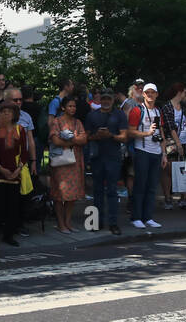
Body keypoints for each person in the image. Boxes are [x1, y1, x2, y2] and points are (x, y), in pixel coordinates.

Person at [0, 102, 33, 246]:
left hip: (15, 174)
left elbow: (24, 153)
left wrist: (18, 170)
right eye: (3, 111)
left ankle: (9, 235)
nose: (6, 114)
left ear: (15, 115)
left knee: (12, 208)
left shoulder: (20, 129)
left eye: (9, 112)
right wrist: (1, 168)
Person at [85, 90, 127, 234]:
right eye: (103, 98)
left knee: (112, 190)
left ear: (113, 99)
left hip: (113, 157)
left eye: (108, 98)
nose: (106, 101)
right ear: (99, 99)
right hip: (97, 157)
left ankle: (113, 223)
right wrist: (97, 135)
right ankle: (96, 222)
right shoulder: (92, 115)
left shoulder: (119, 114)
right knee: (97, 191)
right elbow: (87, 137)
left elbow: (124, 137)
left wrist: (111, 135)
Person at [127, 83, 166, 227]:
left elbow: (161, 133)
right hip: (142, 151)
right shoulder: (137, 111)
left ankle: (148, 217)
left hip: (156, 152)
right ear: (143, 94)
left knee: (152, 186)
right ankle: (136, 217)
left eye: (152, 92)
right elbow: (130, 131)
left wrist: (164, 154)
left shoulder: (158, 111)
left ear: (157, 94)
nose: (150, 95)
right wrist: (147, 133)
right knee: (140, 185)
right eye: (147, 92)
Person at [48, 95, 87, 233]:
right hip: (60, 162)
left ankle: (68, 222)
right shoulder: (57, 121)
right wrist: (74, 141)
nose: (72, 108)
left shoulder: (78, 122)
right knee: (60, 193)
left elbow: (84, 139)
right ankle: (60, 223)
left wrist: (71, 140)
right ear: (63, 107)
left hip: (75, 161)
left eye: (74, 106)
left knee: (73, 194)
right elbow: (56, 141)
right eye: (70, 106)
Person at [159, 83, 186, 210]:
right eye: (184, 92)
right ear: (179, 92)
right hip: (171, 142)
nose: (185, 95)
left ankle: (184, 197)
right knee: (168, 169)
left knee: (185, 168)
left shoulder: (184, 106)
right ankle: (168, 197)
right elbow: (170, 127)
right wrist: (178, 144)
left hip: (185, 140)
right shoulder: (167, 107)